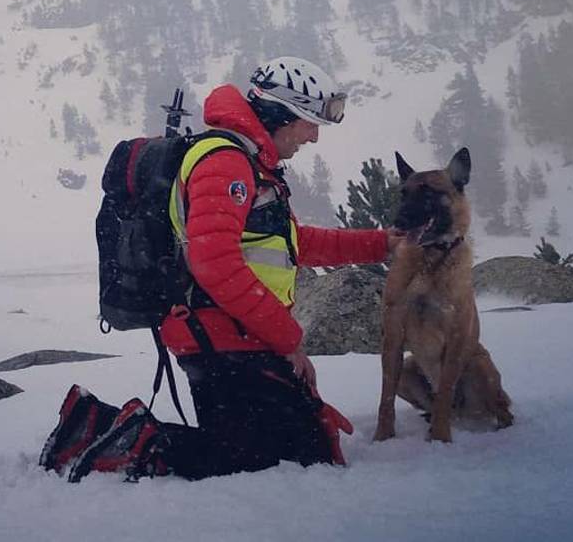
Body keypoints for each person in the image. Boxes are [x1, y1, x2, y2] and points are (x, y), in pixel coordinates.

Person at [42, 56, 402, 481]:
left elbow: (293, 243)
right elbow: (214, 264)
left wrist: (381, 244)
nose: (314, 137)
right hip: (218, 341)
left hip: (238, 336)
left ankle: (104, 432)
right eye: (309, 122)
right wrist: (288, 340)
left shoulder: (252, 165)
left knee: (303, 450)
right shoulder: (226, 163)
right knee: (275, 462)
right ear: (281, 114)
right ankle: (96, 433)